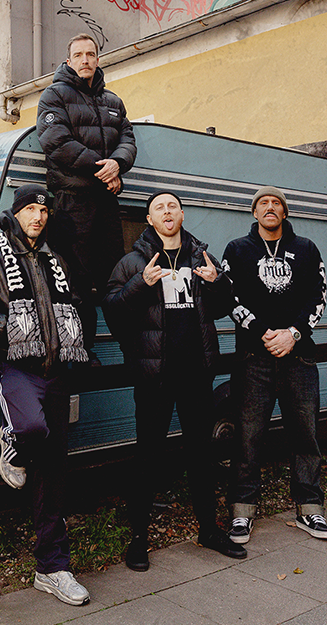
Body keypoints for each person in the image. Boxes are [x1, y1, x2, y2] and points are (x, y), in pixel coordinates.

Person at [0, 184, 90, 606]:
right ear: (15, 214)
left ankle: (53, 568)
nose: (38, 216)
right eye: (30, 209)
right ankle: (10, 440)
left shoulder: (55, 258)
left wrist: (76, 344)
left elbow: (75, 303)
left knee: (52, 475)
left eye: (43, 210)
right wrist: (13, 330)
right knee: (29, 426)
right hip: (14, 366)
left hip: (56, 372)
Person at [104, 191, 247, 571]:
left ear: (181, 214)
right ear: (150, 220)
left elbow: (224, 306)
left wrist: (217, 282)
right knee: (147, 457)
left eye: (172, 206)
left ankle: (208, 529)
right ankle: (138, 540)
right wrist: (141, 283)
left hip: (196, 374)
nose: (166, 212)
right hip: (154, 377)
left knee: (201, 454)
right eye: (158, 209)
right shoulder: (133, 261)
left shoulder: (202, 256)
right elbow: (113, 312)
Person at [222, 186, 327, 544]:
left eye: (276, 203)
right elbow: (230, 297)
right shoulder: (238, 250)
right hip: (254, 359)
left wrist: (294, 335)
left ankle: (310, 508)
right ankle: (241, 511)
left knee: (306, 433)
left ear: (284, 213)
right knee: (248, 436)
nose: (270, 208)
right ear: (254, 213)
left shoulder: (306, 249)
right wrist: (264, 332)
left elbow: (318, 297)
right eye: (263, 204)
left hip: (298, 357)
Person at [36, 33, 137, 360]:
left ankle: (129, 345)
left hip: (106, 203)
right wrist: (104, 170)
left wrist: (118, 163)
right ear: (68, 61)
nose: (85, 60)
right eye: (78, 54)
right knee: (74, 278)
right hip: (72, 201)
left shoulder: (113, 101)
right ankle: (82, 348)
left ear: (97, 59)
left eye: (90, 54)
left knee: (114, 274)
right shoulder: (53, 96)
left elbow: (128, 140)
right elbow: (56, 142)